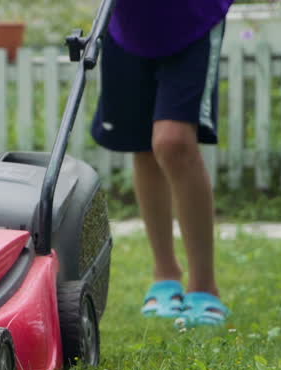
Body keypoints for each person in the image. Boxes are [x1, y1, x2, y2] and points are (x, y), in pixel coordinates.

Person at [92, 0, 232, 327]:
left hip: (192, 17)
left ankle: (204, 285)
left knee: (173, 142)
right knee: (143, 145)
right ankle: (165, 274)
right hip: (128, 24)